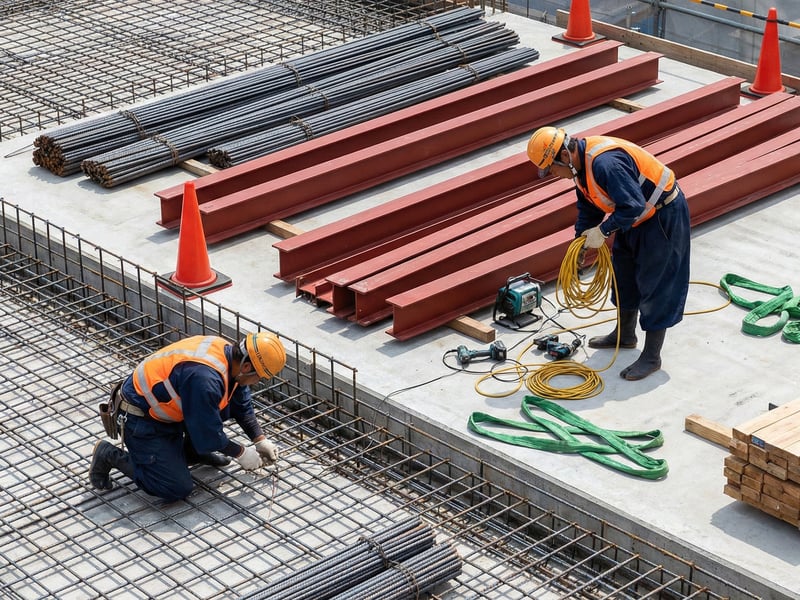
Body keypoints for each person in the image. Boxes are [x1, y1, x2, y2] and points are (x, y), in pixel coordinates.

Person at [526, 126, 690, 380]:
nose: (554, 175)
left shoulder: (605, 164)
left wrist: (603, 231)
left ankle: (651, 357)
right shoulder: (580, 171)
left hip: (661, 215)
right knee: (623, 275)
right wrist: (580, 243)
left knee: (656, 285)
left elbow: (633, 204)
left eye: (552, 169)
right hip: (634, 218)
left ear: (564, 157)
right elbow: (589, 208)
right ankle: (625, 335)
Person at [89, 332, 287, 502]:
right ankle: (108, 455)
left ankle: (193, 452)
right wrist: (241, 453)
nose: (257, 381)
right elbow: (207, 431)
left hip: (168, 410)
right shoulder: (205, 378)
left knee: (224, 402)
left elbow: (240, 403)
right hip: (141, 418)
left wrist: (260, 439)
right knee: (175, 487)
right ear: (246, 367)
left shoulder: (228, 356)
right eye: (259, 376)